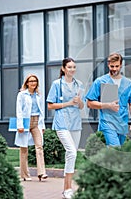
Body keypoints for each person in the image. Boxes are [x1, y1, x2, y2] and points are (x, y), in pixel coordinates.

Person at [46, 57, 84, 199]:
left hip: (75, 123)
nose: (72, 69)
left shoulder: (79, 85)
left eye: (74, 67)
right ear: (63, 69)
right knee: (72, 152)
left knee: (71, 156)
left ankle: (67, 189)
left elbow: (81, 106)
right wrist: (68, 103)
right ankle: (67, 189)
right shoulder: (57, 84)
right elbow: (50, 105)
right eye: (69, 67)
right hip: (62, 123)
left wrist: (79, 101)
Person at [86, 52, 131, 146]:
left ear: (121, 65)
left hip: (122, 124)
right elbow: (89, 103)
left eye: (117, 66)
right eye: (112, 66)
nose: (114, 69)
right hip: (107, 123)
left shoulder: (129, 84)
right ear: (108, 65)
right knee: (115, 149)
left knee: (115, 153)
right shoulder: (100, 81)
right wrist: (107, 105)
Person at [14, 74, 47, 182]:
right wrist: (20, 125)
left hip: (36, 121)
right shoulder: (22, 95)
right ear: (27, 83)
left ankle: (42, 173)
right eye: (31, 81)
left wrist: (42, 126)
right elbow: (19, 110)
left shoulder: (38, 95)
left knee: (39, 146)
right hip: (25, 122)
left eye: (35, 81)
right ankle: (24, 174)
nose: (33, 83)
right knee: (24, 148)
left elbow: (42, 111)